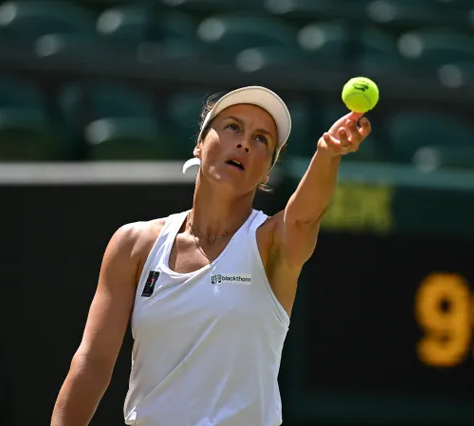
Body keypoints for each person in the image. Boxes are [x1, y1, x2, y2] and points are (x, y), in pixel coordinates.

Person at [51, 86, 371, 426]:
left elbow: (304, 216)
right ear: (199, 144)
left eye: (261, 139)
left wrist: (327, 153)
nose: (245, 142)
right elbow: (93, 362)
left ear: (266, 173)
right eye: (233, 127)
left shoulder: (273, 242)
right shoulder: (133, 244)